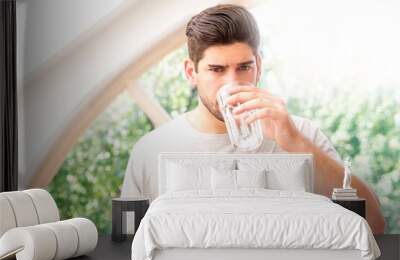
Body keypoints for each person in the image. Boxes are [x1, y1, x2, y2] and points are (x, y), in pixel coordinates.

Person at [120, 4, 385, 234]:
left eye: (244, 67)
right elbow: (128, 244)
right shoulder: (152, 149)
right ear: (191, 72)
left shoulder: (301, 133)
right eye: (216, 69)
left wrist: (295, 142)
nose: (233, 83)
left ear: (258, 65)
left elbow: (374, 223)